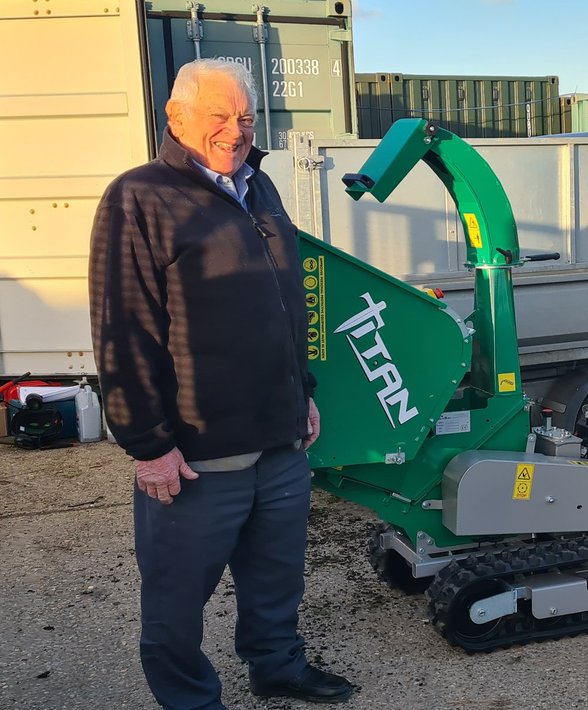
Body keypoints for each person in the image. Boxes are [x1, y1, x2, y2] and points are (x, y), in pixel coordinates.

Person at [89, 59, 353, 708]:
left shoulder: (259, 187)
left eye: (245, 117)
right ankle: (189, 700)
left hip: (281, 439)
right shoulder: (139, 197)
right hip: (201, 453)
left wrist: (306, 392)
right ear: (176, 119)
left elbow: (286, 304)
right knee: (176, 599)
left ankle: (277, 666)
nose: (235, 131)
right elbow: (122, 328)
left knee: (276, 579)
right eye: (219, 116)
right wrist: (149, 445)